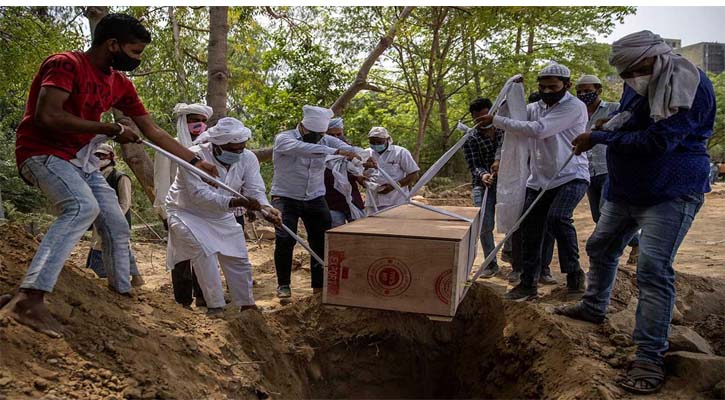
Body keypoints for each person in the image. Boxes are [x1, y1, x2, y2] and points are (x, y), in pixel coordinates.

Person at [0, 13, 218, 338]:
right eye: (134, 52)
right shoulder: (65, 65)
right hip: (42, 153)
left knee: (116, 223)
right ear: (112, 44)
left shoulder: (119, 83)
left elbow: (152, 129)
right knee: (81, 208)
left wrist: (194, 161)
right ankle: (29, 299)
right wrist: (110, 128)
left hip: (80, 161)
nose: (137, 59)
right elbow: (47, 116)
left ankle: (121, 295)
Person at [559, 31, 715, 395]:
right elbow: (630, 117)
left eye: (635, 69)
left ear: (655, 59)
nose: (631, 78)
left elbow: (659, 140)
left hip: (670, 191)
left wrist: (600, 139)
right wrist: (606, 127)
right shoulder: (639, 81)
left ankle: (649, 355)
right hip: (626, 187)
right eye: (625, 72)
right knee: (600, 247)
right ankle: (594, 306)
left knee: (653, 270)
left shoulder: (688, 85)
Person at [478, 62, 589, 301]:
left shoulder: (574, 106)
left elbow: (539, 130)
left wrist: (497, 120)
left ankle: (575, 277)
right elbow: (515, 118)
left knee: (558, 218)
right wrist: (506, 100)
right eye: (543, 87)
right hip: (539, 180)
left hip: (570, 174)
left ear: (567, 85)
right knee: (529, 230)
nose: (547, 92)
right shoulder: (535, 107)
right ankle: (528, 283)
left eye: (553, 87)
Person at [166, 117, 281, 314]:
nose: (238, 152)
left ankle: (246, 304)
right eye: (232, 149)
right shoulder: (194, 158)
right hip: (187, 212)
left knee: (238, 256)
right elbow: (199, 196)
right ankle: (215, 305)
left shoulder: (247, 158)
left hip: (221, 214)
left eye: (241, 148)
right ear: (217, 146)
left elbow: (255, 189)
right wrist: (238, 202)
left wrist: (265, 208)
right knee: (204, 254)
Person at [271, 105, 361, 299]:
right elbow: (305, 149)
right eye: (314, 133)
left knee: (320, 241)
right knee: (285, 238)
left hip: (315, 197)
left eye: (322, 133)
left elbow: (349, 149)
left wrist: (363, 156)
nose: (318, 136)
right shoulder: (284, 139)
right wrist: (336, 150)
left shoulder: (325, 139)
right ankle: (283, 284)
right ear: (303, 127)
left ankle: (319, 287)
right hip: (286, 197)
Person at [575, 75, 641, 265]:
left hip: (609, 168)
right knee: (598, 217)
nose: (583, 94)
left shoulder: (612, 108)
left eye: (587, 91)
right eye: (579, 91)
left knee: (606, 212)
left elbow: (626, 124)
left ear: (599, 90)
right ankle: (634, 242)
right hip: (588, 170)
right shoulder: (578, 113)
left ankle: (632, 246)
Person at [153, 102, 213, 309]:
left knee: (204, 252)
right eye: (195, 121)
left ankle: (205, 295)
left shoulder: (208, 147)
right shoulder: (170, 146)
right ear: (184, 122)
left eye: (203, 121)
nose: (200, 125)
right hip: (176, 209)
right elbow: (161, 181)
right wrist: (164, 212)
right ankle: (183, 299)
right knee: (181, 256)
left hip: (203, 209)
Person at [85, 143, 144, 287]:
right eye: (96, 155)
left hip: (115, 220)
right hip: (99, 219)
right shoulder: (94, 177)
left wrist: (113, 218)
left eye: (102, 155)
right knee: (113, 247)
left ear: (110, 157)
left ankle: (113, 279)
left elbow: (125, 203)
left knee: (109, 247)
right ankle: (134, 277)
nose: (99, 158)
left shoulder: (120, 177)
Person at [462, 98, 506, 279]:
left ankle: (514, 259)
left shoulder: (505, 130)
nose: (483, 121)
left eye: (485, 116)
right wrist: (483, 175)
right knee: (484, 225)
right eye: (478, 119)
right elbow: (474, 164)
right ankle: (490, 263)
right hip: (482, 185)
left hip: (507, 184)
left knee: (512, 221)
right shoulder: (470, 138)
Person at [364, 127, 420, 212]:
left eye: (379, 142)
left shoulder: (400, 152)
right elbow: (358, 173)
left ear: (387, 140)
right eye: (372, 142)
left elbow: (414, 174)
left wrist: (395, 185)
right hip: (373, 202)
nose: (376, 144)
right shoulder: (365, 154)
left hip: (396, 202)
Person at [323, 117, 366, 227]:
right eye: (331, 135)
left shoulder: (350, 150)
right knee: (336, 234)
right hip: (330, 202)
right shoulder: (319, 151)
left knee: (359, 231)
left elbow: (357, 169)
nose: (336, 138)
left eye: (339, 134)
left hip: (352, 199)